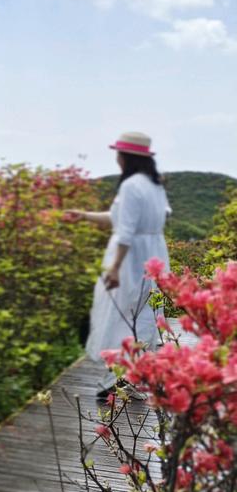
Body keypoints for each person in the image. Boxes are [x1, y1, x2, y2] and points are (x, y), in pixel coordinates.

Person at [64, 131, 170, 401]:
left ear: (126, 157)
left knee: (119, 316)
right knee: (143, 316)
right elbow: (120, 219)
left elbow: (125, 231)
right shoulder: (155, 186)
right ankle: (134, 377)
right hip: (153, 255)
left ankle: (117, 380)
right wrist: (84, 216)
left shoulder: (131, 185)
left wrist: (115, 267)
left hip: (131, 258)